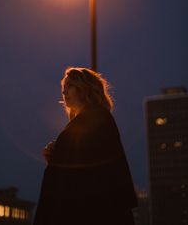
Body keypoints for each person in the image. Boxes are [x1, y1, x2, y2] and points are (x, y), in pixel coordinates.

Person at [34, 67, 137, 225]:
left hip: (90, 211)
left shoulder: (93, 120)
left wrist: (57, 156)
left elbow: (85, 170)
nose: (64, 92)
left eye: (69, 86)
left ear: (83, 88)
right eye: (63, 88)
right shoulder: (93, 119)